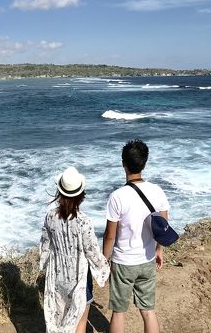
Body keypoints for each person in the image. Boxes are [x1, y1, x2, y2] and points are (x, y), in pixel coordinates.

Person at [103, 139, 170, 333]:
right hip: (147, 259)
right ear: (144, 163)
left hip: (123, 261)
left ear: (123, 163)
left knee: (118, 312)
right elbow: (163, 227)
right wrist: (159, 250)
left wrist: (104, 260)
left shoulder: (117, 196)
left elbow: (109, 235)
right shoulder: (158, 192)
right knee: (148, 311)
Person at [40, 166, 110, 333]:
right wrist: (104, 269)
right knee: (80, 321)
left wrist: (43, 266)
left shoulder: (50, 216)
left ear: (59, 193)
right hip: (79, 278)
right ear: (81, 195)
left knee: (61, 318)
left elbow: (45, 246)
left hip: (57, 276)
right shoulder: (83, 222)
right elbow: (91, 252)